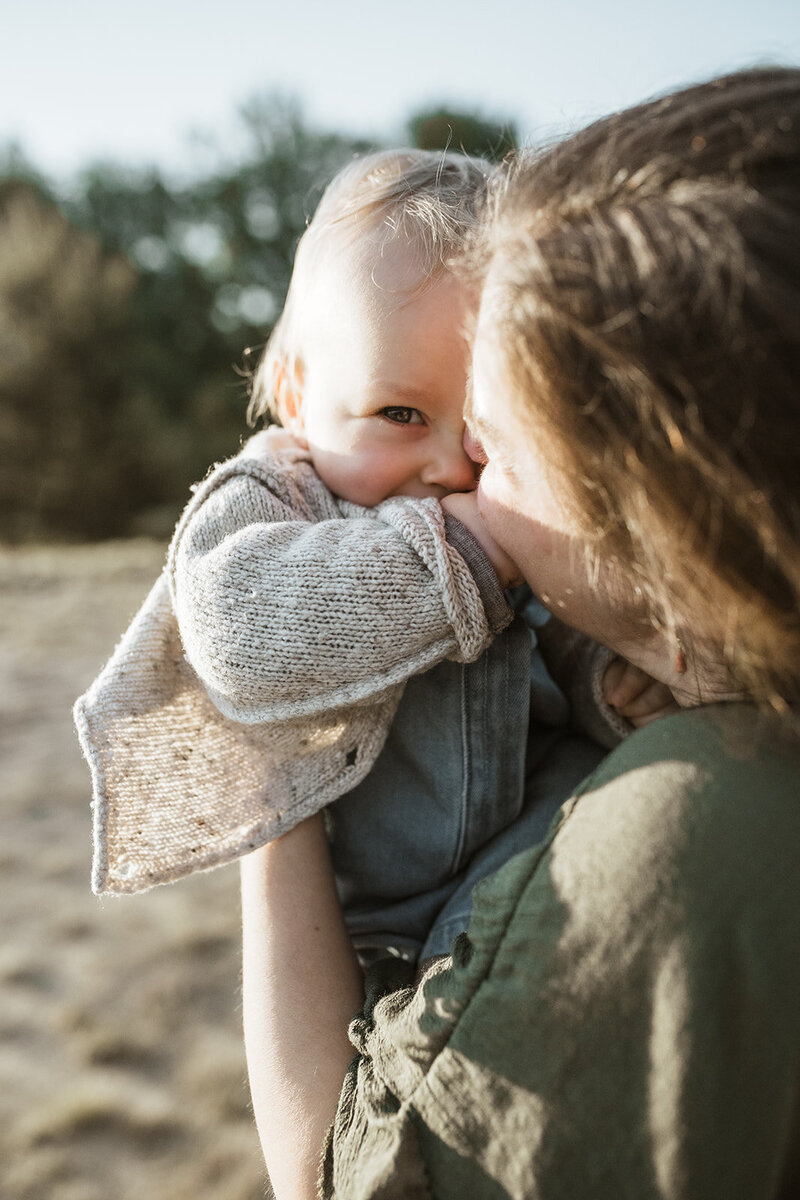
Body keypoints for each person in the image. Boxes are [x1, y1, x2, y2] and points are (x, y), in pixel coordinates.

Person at [239, 68, 800, 1199]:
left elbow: (330, 1176)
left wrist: (263, 796)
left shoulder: (703, 819)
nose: (453, 482)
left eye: (492, 447)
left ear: (661, 554)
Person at [74, 149, 670, 963]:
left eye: (488, 423)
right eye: (400, 413)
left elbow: (559, 632)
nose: (455, 465)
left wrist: (609, 688)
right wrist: (465, 551)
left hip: (522, 850)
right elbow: (236, 634)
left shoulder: (506, 495)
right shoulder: (272, 497)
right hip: (368, 913)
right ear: (295, 395)